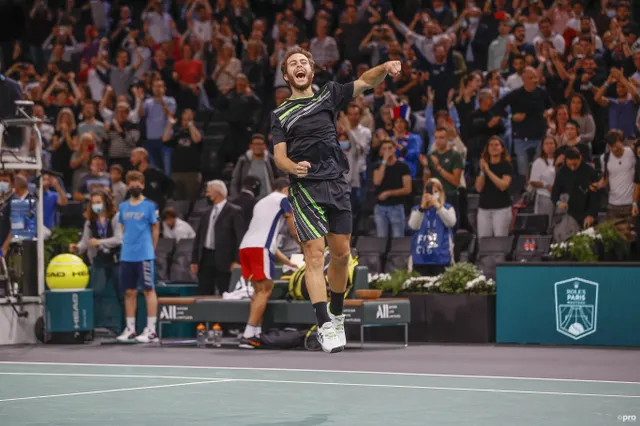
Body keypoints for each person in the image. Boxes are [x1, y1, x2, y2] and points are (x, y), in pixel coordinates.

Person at [270, 46, 401, 353]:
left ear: (311, 71)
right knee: (315, 256)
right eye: (293, 64)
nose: (300, 66)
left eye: (304, 61)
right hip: (304, 189)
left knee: (341, 255)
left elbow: (364, 82)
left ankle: (337, 314)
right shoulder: (280, 114)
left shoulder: (327, 94)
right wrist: (292, 167)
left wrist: (384, 66)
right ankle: (324, 324)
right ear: (287, 75)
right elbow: (279, 157)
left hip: (336, 184)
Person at [237, 178, 299, 349]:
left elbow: (266, 237)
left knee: (258, 291)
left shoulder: (260, 202)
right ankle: (248, 335)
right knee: (265, 290)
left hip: (246, 248)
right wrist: (305, 246)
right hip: (259, 249)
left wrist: (288, 263)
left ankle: (255, 333)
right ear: (286, 189)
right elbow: (293, 227)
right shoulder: (283, 200)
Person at [116, 171, 160, 343]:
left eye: (138, 182)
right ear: (127, 185)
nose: (134, 185)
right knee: (129, 292)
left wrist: (151, 249)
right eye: (131, 182)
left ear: (142, 184)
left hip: (144, 255)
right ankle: (130, 329)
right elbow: (123, 228)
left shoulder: (150, 206)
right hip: (127, 255)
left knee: (149, 290)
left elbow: (155, 228)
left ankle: (151, 330)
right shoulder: (123, 207)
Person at [70, 190, 122, 331]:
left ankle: (123, 327)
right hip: (100, 260)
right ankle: (95, 326)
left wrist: (100, 242)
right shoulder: (90, 222)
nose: (96, 205)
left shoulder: (116, 218)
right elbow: (85, 242)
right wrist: (77, 248)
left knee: (121, 293)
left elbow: (119, 239)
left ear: (106, 202)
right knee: (96, 291)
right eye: (93, 203)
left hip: (117, 258)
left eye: (98, 202)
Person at [190, 180, 246, 296]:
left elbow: (240, 238)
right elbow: (199, 238)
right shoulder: (205, 213)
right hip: (206, 258)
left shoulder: (234, 211)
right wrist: (194, 260)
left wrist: (237, 261)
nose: (206, 194)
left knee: (225, 291)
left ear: (217, 192)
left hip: (226, 260)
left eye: (208, 191)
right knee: (204, 292)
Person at [407, 178, 456, 277]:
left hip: (441, 258)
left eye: (436, 192)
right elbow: (413, 226)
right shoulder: (417, 209)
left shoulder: (448, 208)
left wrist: (438, 206)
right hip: (420, 258)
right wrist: (422, 208)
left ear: (440, 193)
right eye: (429, 191)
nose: (432, 194)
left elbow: (451, 222)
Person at [475, 136, 514, 238]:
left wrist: (488, 171)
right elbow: (479, 188)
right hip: (484, 209)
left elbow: (503, 186)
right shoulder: (483, 166)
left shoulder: (506, 166)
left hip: (502, 208)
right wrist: (483, 170)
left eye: (496, 145)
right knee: (483, 240)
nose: (493, 147)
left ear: (502, 149)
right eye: (491, 145)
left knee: (500, 239)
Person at [373, 139, 412, 238]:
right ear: (380, 152)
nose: (387, 151)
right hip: (380, 208)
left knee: (398, 239)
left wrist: (389, 193)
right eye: (384, 149)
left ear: (395, 149)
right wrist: (384, 161)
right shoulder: (377, 166)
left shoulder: (403, 166)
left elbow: (408, 189)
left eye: (390, 148)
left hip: (397, 207)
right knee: (381, 239)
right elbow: (377, 181)